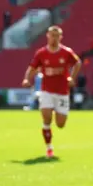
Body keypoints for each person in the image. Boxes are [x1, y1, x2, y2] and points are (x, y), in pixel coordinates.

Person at [21, 26, 81, 158]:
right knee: (46, 118)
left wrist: (72, 77)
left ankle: (57, 113)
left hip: (62, 92)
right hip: (46, 91)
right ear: (47, 36)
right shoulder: (41, 53)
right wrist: (26, 79)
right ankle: (49, 148)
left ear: (61, 37)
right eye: (52, 35)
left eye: (57, 35)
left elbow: (78, 63)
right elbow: (32, 68)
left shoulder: (66, 52)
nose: (54, 38)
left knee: (60, 124)